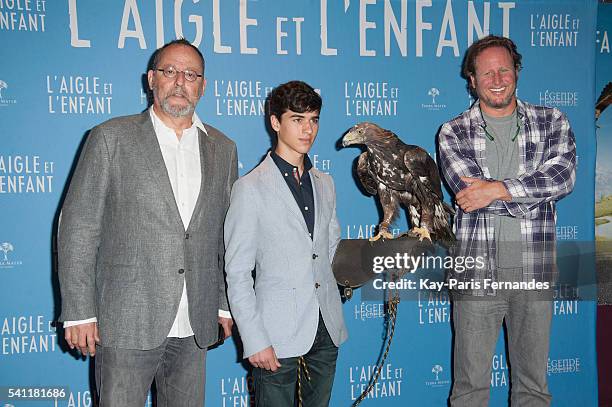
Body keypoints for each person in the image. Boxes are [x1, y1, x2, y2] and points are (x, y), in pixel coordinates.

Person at [58, 38, 237, 407]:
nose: (179, 82)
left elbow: (226, 234)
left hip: (195, 323)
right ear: (151, 79)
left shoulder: (223, 148)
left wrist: (223, 304)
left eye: (190, 74)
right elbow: (78, 227)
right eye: (170, 71)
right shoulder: (110, 138)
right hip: (126, 320)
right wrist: (78, 311)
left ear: (202, 86)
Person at [438, 35, 576, 406]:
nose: (496, 79)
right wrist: (528, 192)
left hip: (534, 272)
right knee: (469, 390)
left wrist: (496, 189)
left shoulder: (552, 122)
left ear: (516, 71)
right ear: (472, 79)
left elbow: (562, 178)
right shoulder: (453, 132)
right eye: (486, 73)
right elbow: (469, 197)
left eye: (504, 70)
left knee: (533, 388)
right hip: (475, 274)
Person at [224, 80, 348, 406]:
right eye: (297, 119)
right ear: (275, 122)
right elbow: (237, 273)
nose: (307, 130)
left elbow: (333, 252)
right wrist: (254, 339)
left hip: (326, 329)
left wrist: (379, 260)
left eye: (314, 120)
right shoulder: (250, 188)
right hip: (274, 336)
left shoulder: (326, 183)